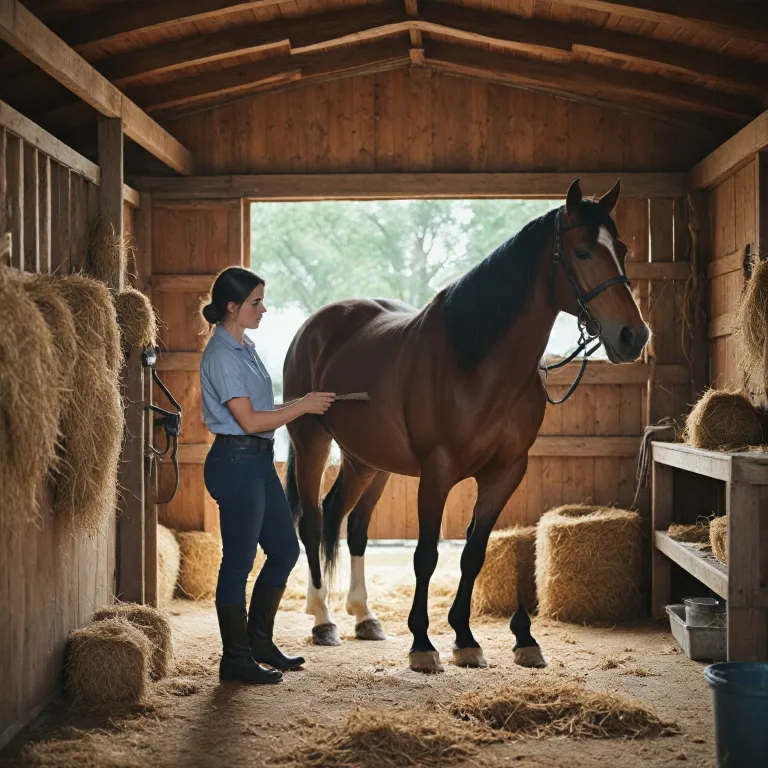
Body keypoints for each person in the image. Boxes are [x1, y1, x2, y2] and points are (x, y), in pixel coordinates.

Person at [199, 266, 335, 684]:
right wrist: (304, 406)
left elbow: (262, 409)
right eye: (256, 303)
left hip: (257, 462)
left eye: (262, 301)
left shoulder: (244, 346)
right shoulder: (221, 354)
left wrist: (299, 402)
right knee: (237, 565)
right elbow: (250, 420)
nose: (263, 309)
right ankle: (235, 660)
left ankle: (258, 642)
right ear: (232, 307)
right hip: (236, 462)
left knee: (284, 550)